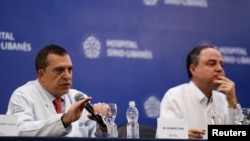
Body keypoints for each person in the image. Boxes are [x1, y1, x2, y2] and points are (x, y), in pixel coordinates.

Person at [6, 44, 108, 137]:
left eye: (70, 69)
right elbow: (18, 131)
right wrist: (63, 120)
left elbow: (97, 136)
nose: (67, 76)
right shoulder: (22, 95)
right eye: (59, 70)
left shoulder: (79, 97)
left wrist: (102, 127)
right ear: (41, 75)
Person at [158, 44, 242, 139]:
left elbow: (237, 134)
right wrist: (181, 135)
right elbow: (163, 135)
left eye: (221, 65)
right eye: (211, 64)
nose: (219, 69)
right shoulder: (175, 96)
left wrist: (233, 103)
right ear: (193, 69)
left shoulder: (224, 99)